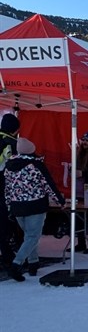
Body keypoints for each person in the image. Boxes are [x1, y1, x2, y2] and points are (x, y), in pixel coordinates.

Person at [4, 137, 65, 282]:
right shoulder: (36, 165)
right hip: (35, 205)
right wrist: (60, 200)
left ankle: (33, 263)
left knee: (28, 236)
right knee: (33, 236)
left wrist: (9, 205)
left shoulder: (9, 165)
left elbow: (7, 188)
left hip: (17, 207)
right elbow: (48, 185)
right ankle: (16, 265)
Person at [0, 113, 21, 267]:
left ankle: (6, 250)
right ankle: (10, 253)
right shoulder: (13, 143)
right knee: (8, 220)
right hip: (6, 188)